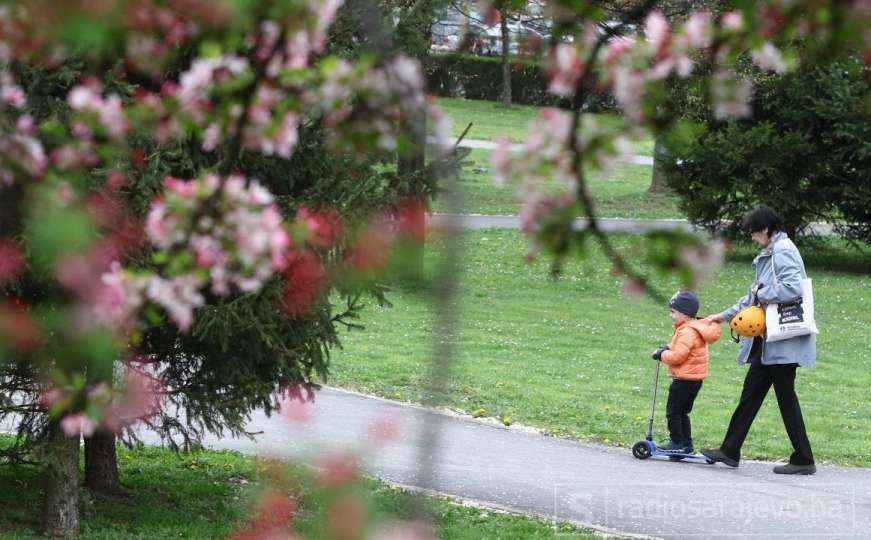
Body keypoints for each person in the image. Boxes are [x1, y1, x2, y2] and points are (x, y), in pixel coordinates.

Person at [701, 207, 817, 475]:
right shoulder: (770, 253)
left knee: (785, 398)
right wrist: (722, 316)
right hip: (769, 344)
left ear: (765, 229)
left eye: (754, 232)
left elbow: (792, 288)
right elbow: (752, 297)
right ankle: (730, 450)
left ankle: (804, 458)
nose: (752, 238)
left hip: (781, 342)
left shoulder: (782, 251)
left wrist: (762, 293)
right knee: (750, 396)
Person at [652, 289, 721, 453]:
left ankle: (676, 441)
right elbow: (680, 348)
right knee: (683, 412)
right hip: (694, 379)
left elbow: (678, 356)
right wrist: (667, 347)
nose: (671, 315)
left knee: (673, 412)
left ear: (685, 313)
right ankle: (686, 444)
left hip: (684, 379)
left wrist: (662, 355)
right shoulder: (691, 328)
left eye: (673, 312)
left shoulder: (687, 331)